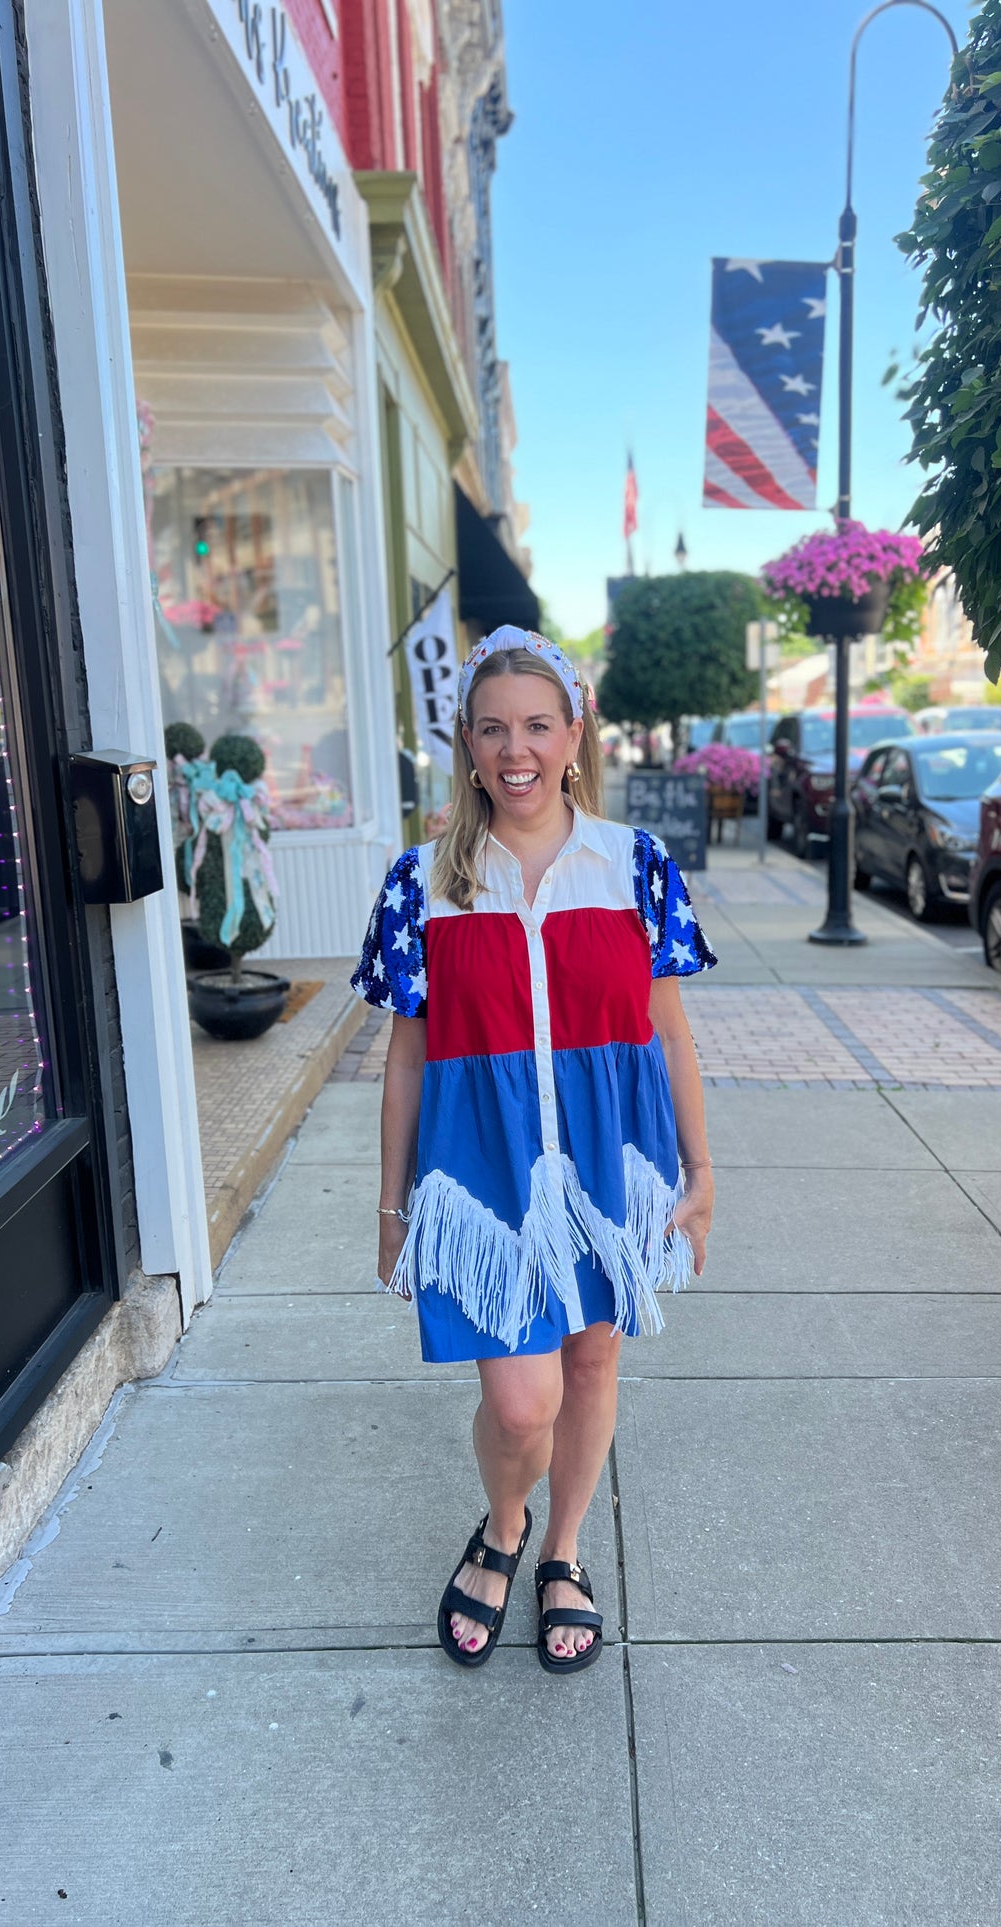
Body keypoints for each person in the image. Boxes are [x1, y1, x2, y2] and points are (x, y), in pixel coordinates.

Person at [352, 626, 715, 1673]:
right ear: (465, 743)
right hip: (482, 1171)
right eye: (493, 728)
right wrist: (391, 1206)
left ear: (572, 734)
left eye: (537, 726)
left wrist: (700, 1172)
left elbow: (670, 1034)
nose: (517, 750)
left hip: (611, 1159)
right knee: (520, 1397)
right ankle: (502, 1524)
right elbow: (407, 1062)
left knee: (593, 1357)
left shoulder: (634, 866)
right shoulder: (420, 883)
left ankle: (561, 1550)